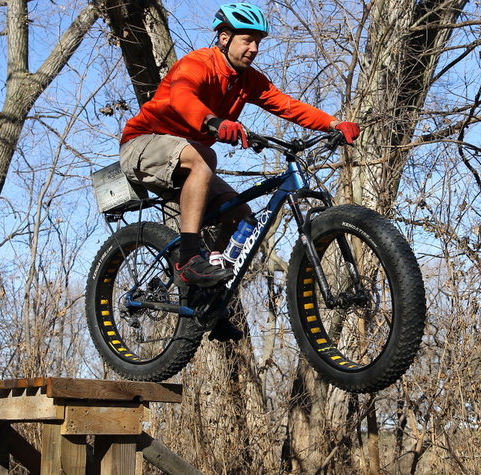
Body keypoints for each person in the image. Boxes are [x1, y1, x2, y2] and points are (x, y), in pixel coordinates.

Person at [119, 3, 359, 341]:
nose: (254, 49)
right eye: (247, 40)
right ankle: (189, 258)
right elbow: (182, 98)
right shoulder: (197, 64)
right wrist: (213, 122)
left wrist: (332, 123)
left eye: (258, 42)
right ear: (224, 37)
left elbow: (287, 105)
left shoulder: (248, 81)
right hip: (143, 145)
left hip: (185, 157)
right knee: (203, 156)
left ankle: (208, 298)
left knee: (241, 217)